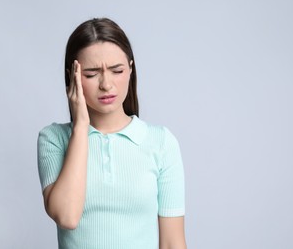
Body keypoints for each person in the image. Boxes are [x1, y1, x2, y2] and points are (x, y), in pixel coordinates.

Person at [37, 17, 186, 249]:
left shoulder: (161, 142)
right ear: (72, 77)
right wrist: (80, 127)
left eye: (117, 70)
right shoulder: (54, 139)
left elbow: (172, 243)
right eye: (91, 74)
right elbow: (67, 216)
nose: (106, 84)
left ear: (130, 70)